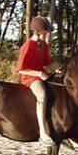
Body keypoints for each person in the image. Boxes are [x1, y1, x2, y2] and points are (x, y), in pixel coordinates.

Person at [17, 15, 55, 145]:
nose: (47, 35)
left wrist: (59, 69)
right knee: (43, 95)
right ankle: (43, 133)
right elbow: (21, 69)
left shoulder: (43, 45)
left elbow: (48, 64)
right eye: (45, 33)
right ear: (38, 32)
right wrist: (39, 73)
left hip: (41, 74)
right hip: (30, 78)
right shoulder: (27, 46)